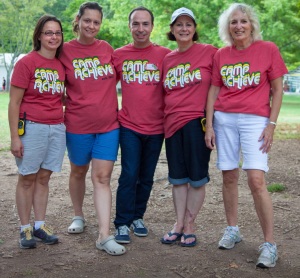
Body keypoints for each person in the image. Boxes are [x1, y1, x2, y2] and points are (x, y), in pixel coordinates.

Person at [205, 3, 288, 268]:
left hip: (255, 121)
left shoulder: (268, 49)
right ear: (227, 28)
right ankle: (232, 229)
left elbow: (277, 90)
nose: (238, 26)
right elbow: (214, 91)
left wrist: (271, 124)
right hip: (224, 120)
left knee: (256, 179)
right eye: (233, 22)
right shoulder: (221, 54)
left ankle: (269, 243)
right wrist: (209, 125)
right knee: (228, 175)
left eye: (243, 21)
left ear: (252, 24)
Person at [59, 2, 125, 256]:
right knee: (78, 171)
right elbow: (56, 84)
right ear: (78, 20)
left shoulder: (107, 49)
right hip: (77, 125)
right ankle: (78, 215)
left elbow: (118, 80)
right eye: (87, 20)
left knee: (102, 178)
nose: (91, 26)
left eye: (96, 22)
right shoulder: (64, 51)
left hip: (108, 126)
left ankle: (104, 235)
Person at [112, 7, 171, 244]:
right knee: (129, 174)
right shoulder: (118, 55)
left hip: (157, 128)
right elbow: (103, 85)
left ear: (152, 27)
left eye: (145, 24)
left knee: (146, 176)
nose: (140, 29)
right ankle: (122, 223)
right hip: (129, 126)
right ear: (129, 26)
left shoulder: (165, 55)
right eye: (136, 24)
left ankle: (138, 217)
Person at [161, 7, 217, 247]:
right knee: (177, 178)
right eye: (179, 25)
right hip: (172, 124)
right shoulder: (168, 59)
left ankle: (190, 224)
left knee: (196, 177)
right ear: (172, 30)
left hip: (197, 122)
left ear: (194, 29)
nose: (183, 29)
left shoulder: (209, 52)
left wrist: (211, 125)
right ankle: (178, 224)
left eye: (188, 24)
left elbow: (219, 85)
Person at [8, 15, 66, 249]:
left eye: (57, 33)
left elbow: (58, 95)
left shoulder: (61, 64)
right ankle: (25, 229)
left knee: (43, 178)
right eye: (48, 32)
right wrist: (14, 137)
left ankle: (40, 225)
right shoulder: (27, 62)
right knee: (27, 178)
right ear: (39, 36)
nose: (54, 37)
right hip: (32, 127)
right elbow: (14, 103)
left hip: (57, 127)